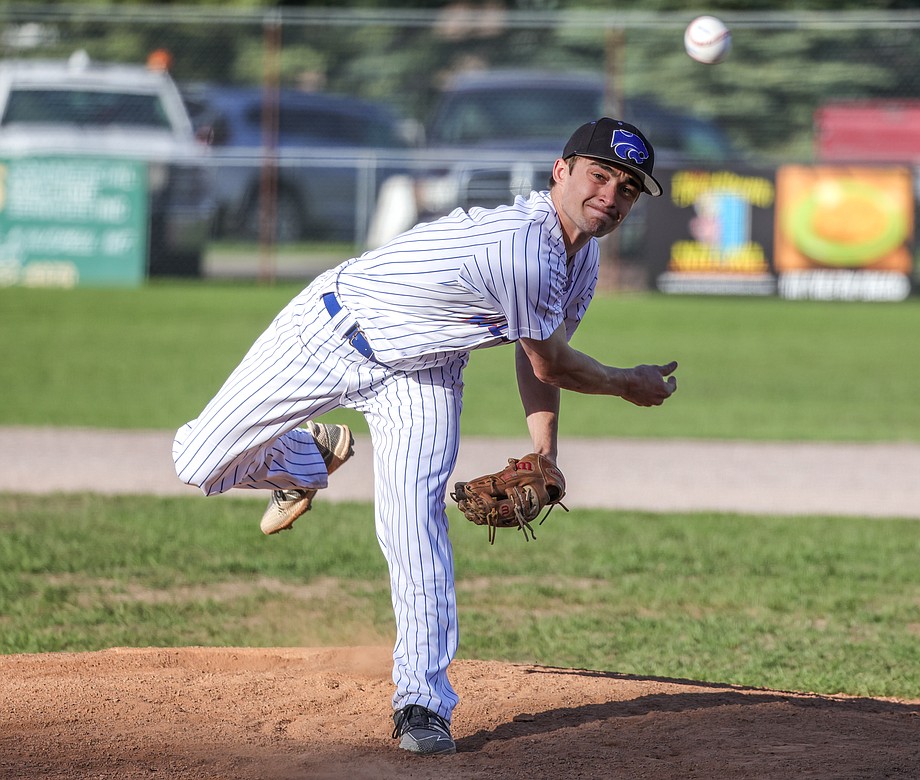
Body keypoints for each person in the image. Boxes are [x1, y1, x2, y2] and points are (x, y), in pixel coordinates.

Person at [172, 116, 678, 756]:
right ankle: (305, 458)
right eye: (599, 174)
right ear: (561, 171)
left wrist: (545, 453)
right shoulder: (522, 245)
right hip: (331, 331)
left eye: (628, 187)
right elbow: (554, 363)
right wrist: (625, 382)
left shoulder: (581, 260)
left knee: (412, 523)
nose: (610, 194)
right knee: (197, 460)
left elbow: (536, 355)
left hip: (424, 370)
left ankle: (422, 701)